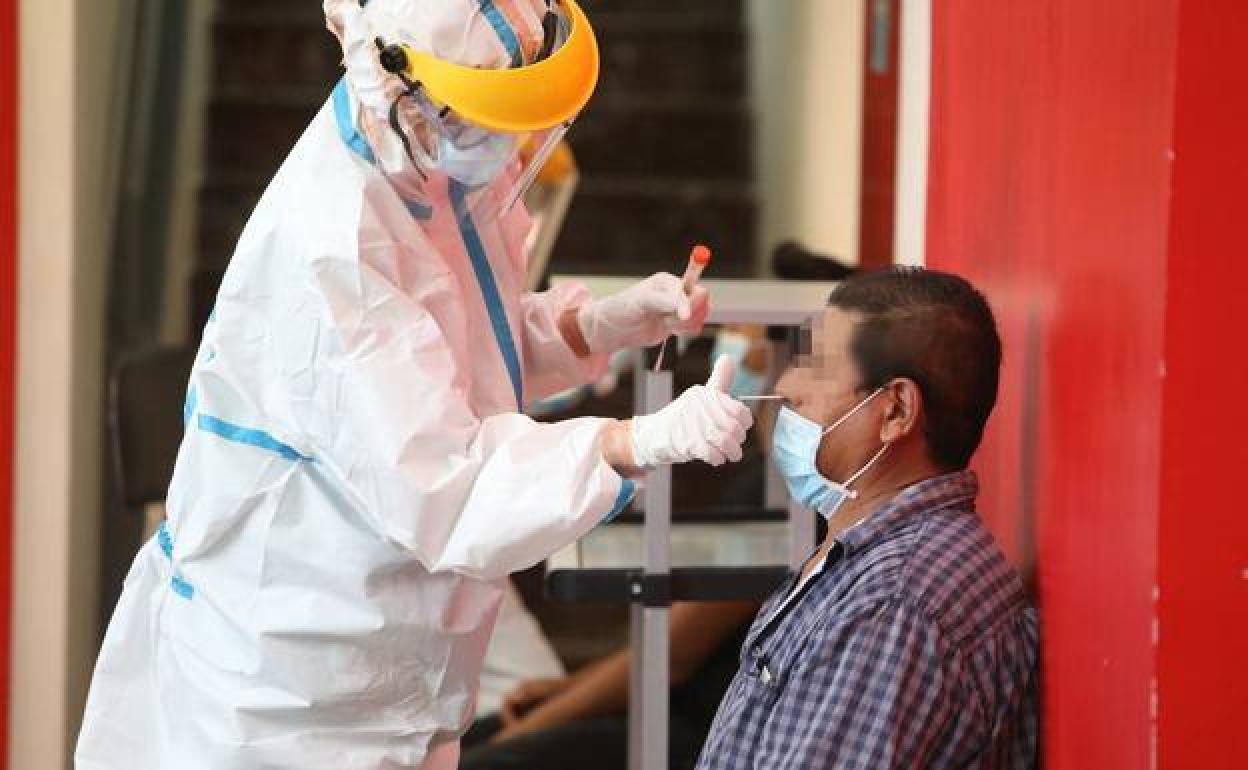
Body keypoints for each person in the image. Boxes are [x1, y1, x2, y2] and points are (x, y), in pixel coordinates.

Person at [75, 2, 753, 768]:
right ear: (400, 86)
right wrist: (633, 440)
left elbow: (456, 348)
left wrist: (594, 326)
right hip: (289, 695)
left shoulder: (431, 169)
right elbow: (446, 484)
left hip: (385, 670)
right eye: (488, 108)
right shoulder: (336, 247)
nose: (508, 141)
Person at [697, 267, 1039, 770]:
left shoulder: (894, 602)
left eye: (816, 366)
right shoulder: (871, 561)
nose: (787, 385)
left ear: (896, 411)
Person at [461, 601, 760, 770]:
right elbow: (657, 652)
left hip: (700, 730)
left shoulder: (759, 536)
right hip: (659, 702)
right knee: (457, 744)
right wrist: (569, 687)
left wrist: (525, 730)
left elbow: (669, 661)